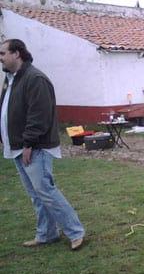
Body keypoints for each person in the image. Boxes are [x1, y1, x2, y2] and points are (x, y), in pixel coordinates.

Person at [0, 39, 85, 250]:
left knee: (45, 190)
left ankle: (75, 231)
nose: (0, 57)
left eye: (2, 53)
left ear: (17, 54)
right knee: (36, 194)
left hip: (34, 148)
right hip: (17, 146)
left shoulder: (34, 78)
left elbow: (39, 115)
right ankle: (47, 233)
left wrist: (29, 144)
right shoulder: (11, 79)